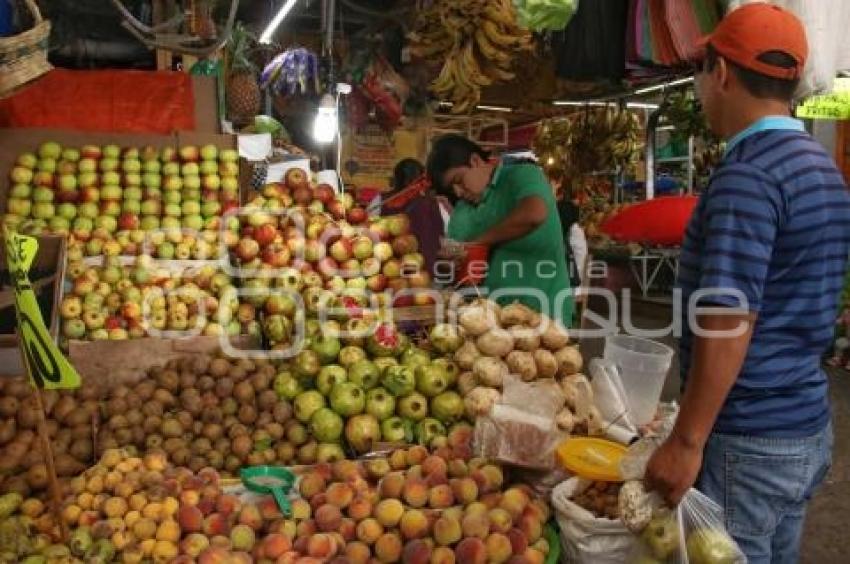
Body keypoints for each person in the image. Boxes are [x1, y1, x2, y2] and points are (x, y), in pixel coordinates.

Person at [644, 5, 850, 563]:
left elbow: (729, 320)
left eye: (701, 71)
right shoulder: (819, 166)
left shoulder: (749, 175)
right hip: (805, 424)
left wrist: (685, 443)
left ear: (723, 74)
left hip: (750, 441)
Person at [426, 135, 573, 326]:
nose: (458, 192)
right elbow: (457, 266)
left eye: (459, 180)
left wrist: (481, 241)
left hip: (545, 316)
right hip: (490, 325)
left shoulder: (522, 175)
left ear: (475, 161)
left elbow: (534, 214)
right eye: (451, 188)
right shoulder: (461, 211)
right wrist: (448, 263)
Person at [382, 158, 451, 278]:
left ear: (395, 179)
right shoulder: (436, 204)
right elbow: (450, 236)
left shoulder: (381, 200)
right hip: (429, 275)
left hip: (391, 275)